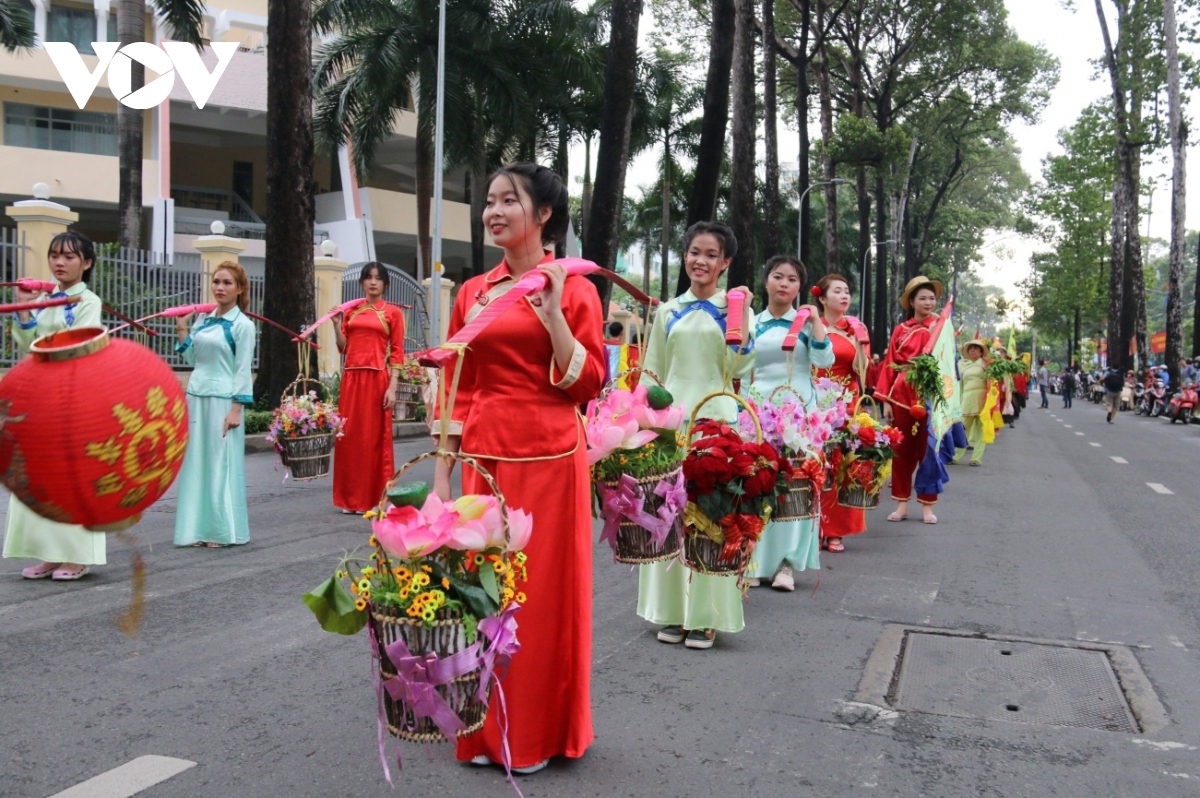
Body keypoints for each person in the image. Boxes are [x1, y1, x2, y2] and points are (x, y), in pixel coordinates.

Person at [431, 163, 605, 773]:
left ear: (544, 215)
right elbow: (457, 384)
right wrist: (442, 477)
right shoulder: (472, 292)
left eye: (510, 200)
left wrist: (555, 312)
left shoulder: (576, 288)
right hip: (484, 454)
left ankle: (533, 733)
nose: (495, 210)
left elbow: (586, 384)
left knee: (536, 598)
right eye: (490, 201)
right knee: (481, 592)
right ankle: (482, 732)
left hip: (552, 460)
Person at [638, 220, 754, 651]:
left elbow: (740, 369)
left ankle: (705, 617)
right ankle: (671, 612)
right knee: (667, 518)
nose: (700, 261)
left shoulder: (736, 309)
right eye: (694, 252)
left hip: (716, 424)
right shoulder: (668, 311)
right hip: (671, 426)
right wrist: (643, 421)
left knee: (710, 522)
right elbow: (652, 371)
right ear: (684, 257)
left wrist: (738, 320)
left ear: (725, 263)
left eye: (711, 255)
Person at [3, 231, 105, 580]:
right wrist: (26, 308)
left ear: (86, 263)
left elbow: (80, 343)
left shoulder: (88, 301)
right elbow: (27, 344)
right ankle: (47, 553)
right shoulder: (46, 297)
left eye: (69, 257)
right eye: (55, 255)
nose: (59, 262)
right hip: (38, 394)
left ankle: (76, 556)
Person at [744, 256, 830, 589]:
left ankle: (786, 565)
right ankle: (754, 559)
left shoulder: (806, 323)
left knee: (796, 487)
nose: (784, 284)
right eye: (777, 277)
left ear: (800, 287)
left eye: (792, 279)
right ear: (765, 282)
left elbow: (825, 359)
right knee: (757, 483)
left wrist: (817, 322)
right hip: (759, 411)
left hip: (800, 413)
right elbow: (741, 363)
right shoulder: (754, 323)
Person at [173, 262, 256, 546]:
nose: (220, 288)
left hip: (223, 402)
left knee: (221, 464)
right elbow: (192, 360)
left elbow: (243, 369)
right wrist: (182, 326)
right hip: (196, 398)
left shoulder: (244, 326)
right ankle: (198, 529)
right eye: (216, 282)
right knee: (196, 463)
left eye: (227, 283)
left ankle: (221, 531)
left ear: (240, 289)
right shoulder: (204, 320)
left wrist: (236, 409)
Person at [330, 263, 405, 514]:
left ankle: (373, 498)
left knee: (372, 440)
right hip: (351, 380)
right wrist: (336, 324)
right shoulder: (351, 311)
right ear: (362, 282)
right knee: (349, 439)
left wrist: (392, 387)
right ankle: (349, 499)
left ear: (385, 284)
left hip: (376, 380)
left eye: (378, 278)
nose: (373, 282)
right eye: (369, 278)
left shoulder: (392, 312)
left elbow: (397, 352)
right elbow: (344, 347)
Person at [812, 273, 871, 552]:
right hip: (814, 405)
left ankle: (835, 530)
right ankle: (812, 525)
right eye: (837, 291)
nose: (844, 295)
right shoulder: (812, 326)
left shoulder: (856, 328)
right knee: (813, 464)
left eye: (847, 291)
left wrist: (860, 344)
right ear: (822, 298)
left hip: (846, 404)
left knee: (842, 466)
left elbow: (862, 373)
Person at [876, 276, 942, 525]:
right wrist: (886, 401)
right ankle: (901, 504)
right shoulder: (901, 330)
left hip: (930, 396)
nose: (928, 302)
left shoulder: (941, 328)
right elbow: (889, 365)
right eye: (922, 298)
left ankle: (927, 506)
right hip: (902, 395)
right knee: (901, 453)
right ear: (911, 302)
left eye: (932, 298)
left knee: (928, 452)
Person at [953, 340, 989, 466]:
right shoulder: (961, 364)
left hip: (983, 398)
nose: (973, 350)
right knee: (962, 428)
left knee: (981, 430)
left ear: (981, 352)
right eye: (970, 349)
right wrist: (958, 400)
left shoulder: (987, 364)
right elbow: (959, 384)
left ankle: (976, 458)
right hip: (967, 397)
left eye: (976, 348)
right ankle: (956, 456)